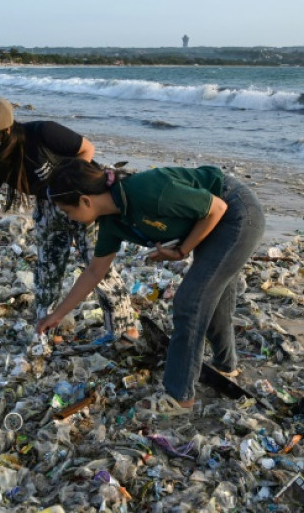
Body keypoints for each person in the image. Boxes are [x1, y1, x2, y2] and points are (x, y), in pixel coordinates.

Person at [36, 159, 265, 415]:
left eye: (68, 212)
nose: (70, 218)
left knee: (190, 302)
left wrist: (181, 250)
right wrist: (57, 314)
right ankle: (225, 366)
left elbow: (217, 207)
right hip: (212, 223)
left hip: (237, 214)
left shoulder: (146, 190)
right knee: (212, 295)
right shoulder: (113, 221)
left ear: (86, 201)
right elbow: (94, 271)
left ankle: (179, 397)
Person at [0, 95, 138, 342]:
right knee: (47, 271)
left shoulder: (43, 133)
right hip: (48, 208)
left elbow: (86, 148)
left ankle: (124, 330)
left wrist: (69, 186)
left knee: (98, 267)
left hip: (84, 201)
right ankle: (47, 331)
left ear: (4, 130)